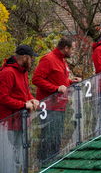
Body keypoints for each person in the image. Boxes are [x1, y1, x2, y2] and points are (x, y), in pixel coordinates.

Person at [32, 36, 82, 167]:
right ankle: (43, 166)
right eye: (72, 49)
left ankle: (51, 165)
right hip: (49, 107)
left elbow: (60, 82)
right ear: (65, 48)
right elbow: (36, 79)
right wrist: (55, 88)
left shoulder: (63, 61)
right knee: (48, 139)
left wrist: (71, 82)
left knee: (56, 140)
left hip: (60, 106)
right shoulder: (48, 59)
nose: (73, 51)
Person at [0, 44, 40, 173]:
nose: (32, 60)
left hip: (20, 122)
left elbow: (25, 92)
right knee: (7, 161)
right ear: (24, 57)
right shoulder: (7, 72)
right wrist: (23, 105)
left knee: (18, 160)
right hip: (7, 124)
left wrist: (31, 98)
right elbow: (2, 98)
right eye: (31, 58)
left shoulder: (22, 71)